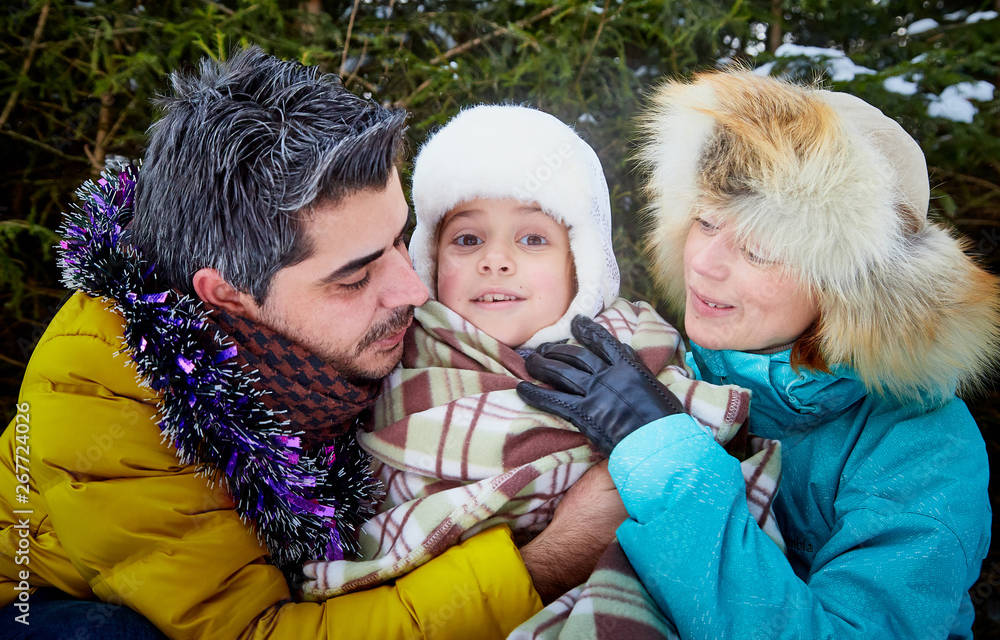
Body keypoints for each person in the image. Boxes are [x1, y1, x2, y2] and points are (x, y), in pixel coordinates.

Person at [0, 47, 628, 639]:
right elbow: (261, 632)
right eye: (356, 275)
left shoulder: (349, 324)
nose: (412, 289)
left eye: (400, 239)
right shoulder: (110, 405)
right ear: (228, 295)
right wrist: (548, 561)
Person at [517, 69, 998, 638]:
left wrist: (664, 459)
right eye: (705, 221)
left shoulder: (922, 447)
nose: (704, 263)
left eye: (760, 248)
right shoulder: (666, 361)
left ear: (854, 289)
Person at [300, 105, 784, 605]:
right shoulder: (382, 367)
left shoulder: (645, 356)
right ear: (429, 260)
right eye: (467, 239)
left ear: (582, 265)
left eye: (533, 238)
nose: (495, 259)